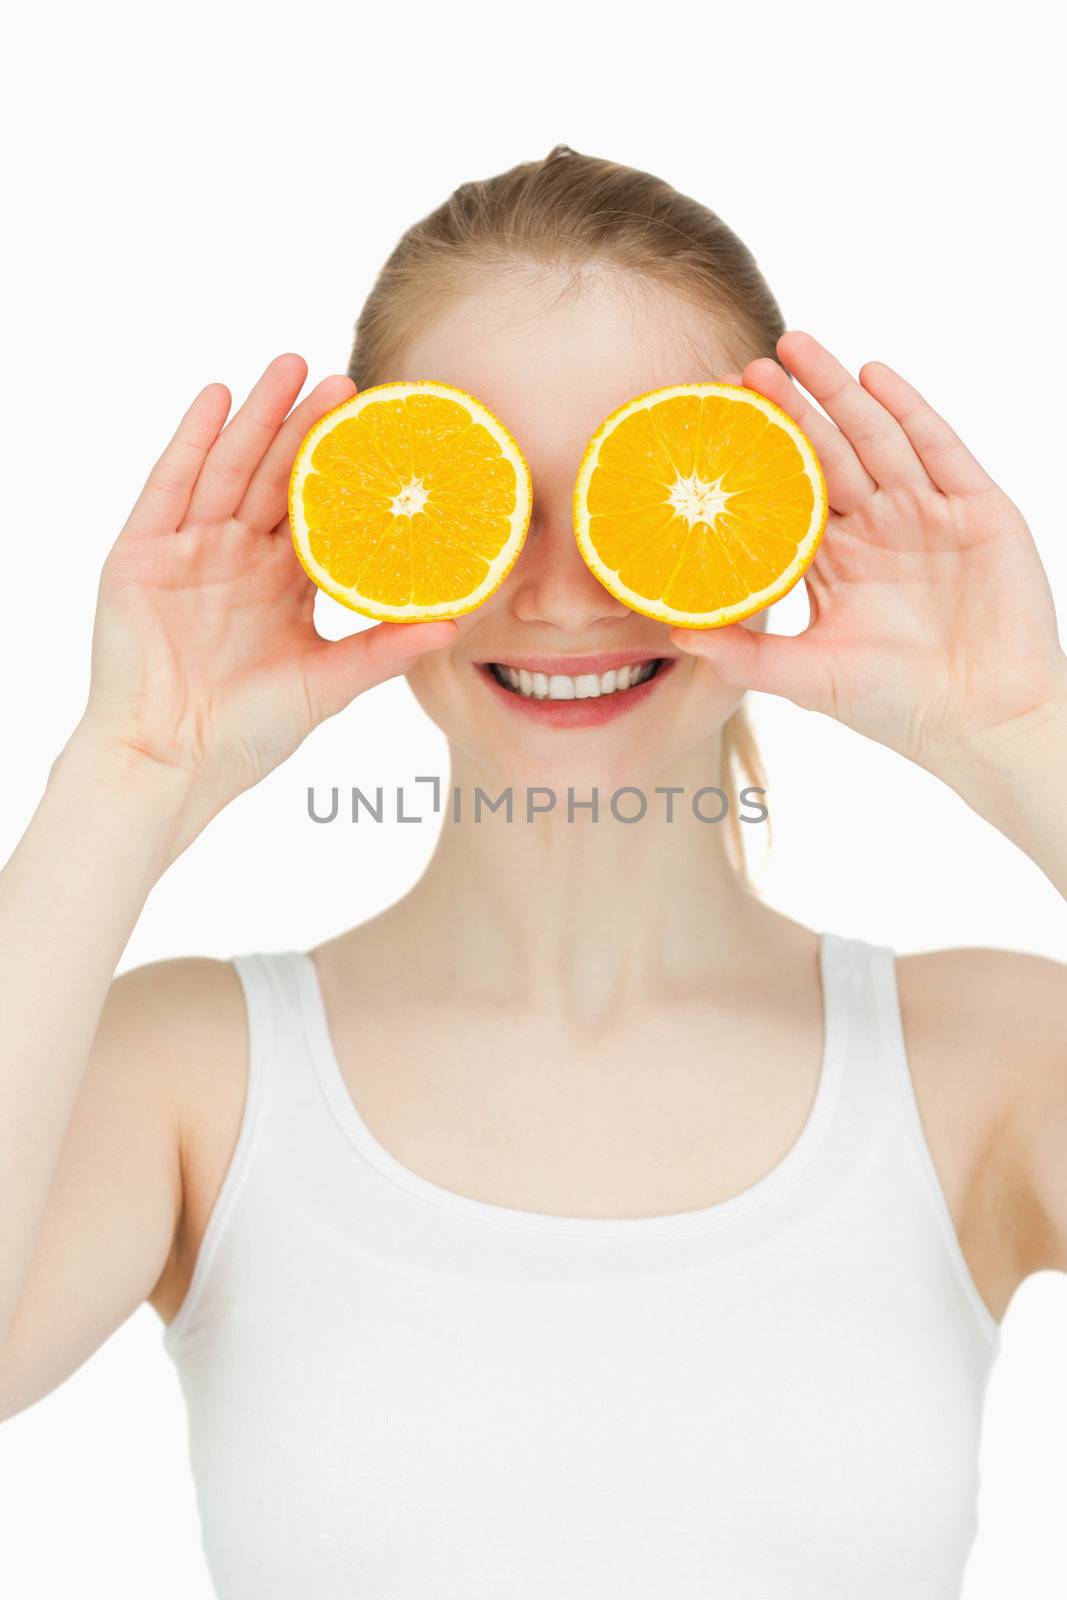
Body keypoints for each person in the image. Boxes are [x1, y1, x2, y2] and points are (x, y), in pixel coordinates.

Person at [1, 144, 1065, 1599]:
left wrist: (1025, 738)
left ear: (777, 520)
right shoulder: (195, 1072)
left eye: (651, 490)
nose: (560, 596)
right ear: (365, 523)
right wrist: (125, 771)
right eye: (481, 493)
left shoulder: (986, 1059)